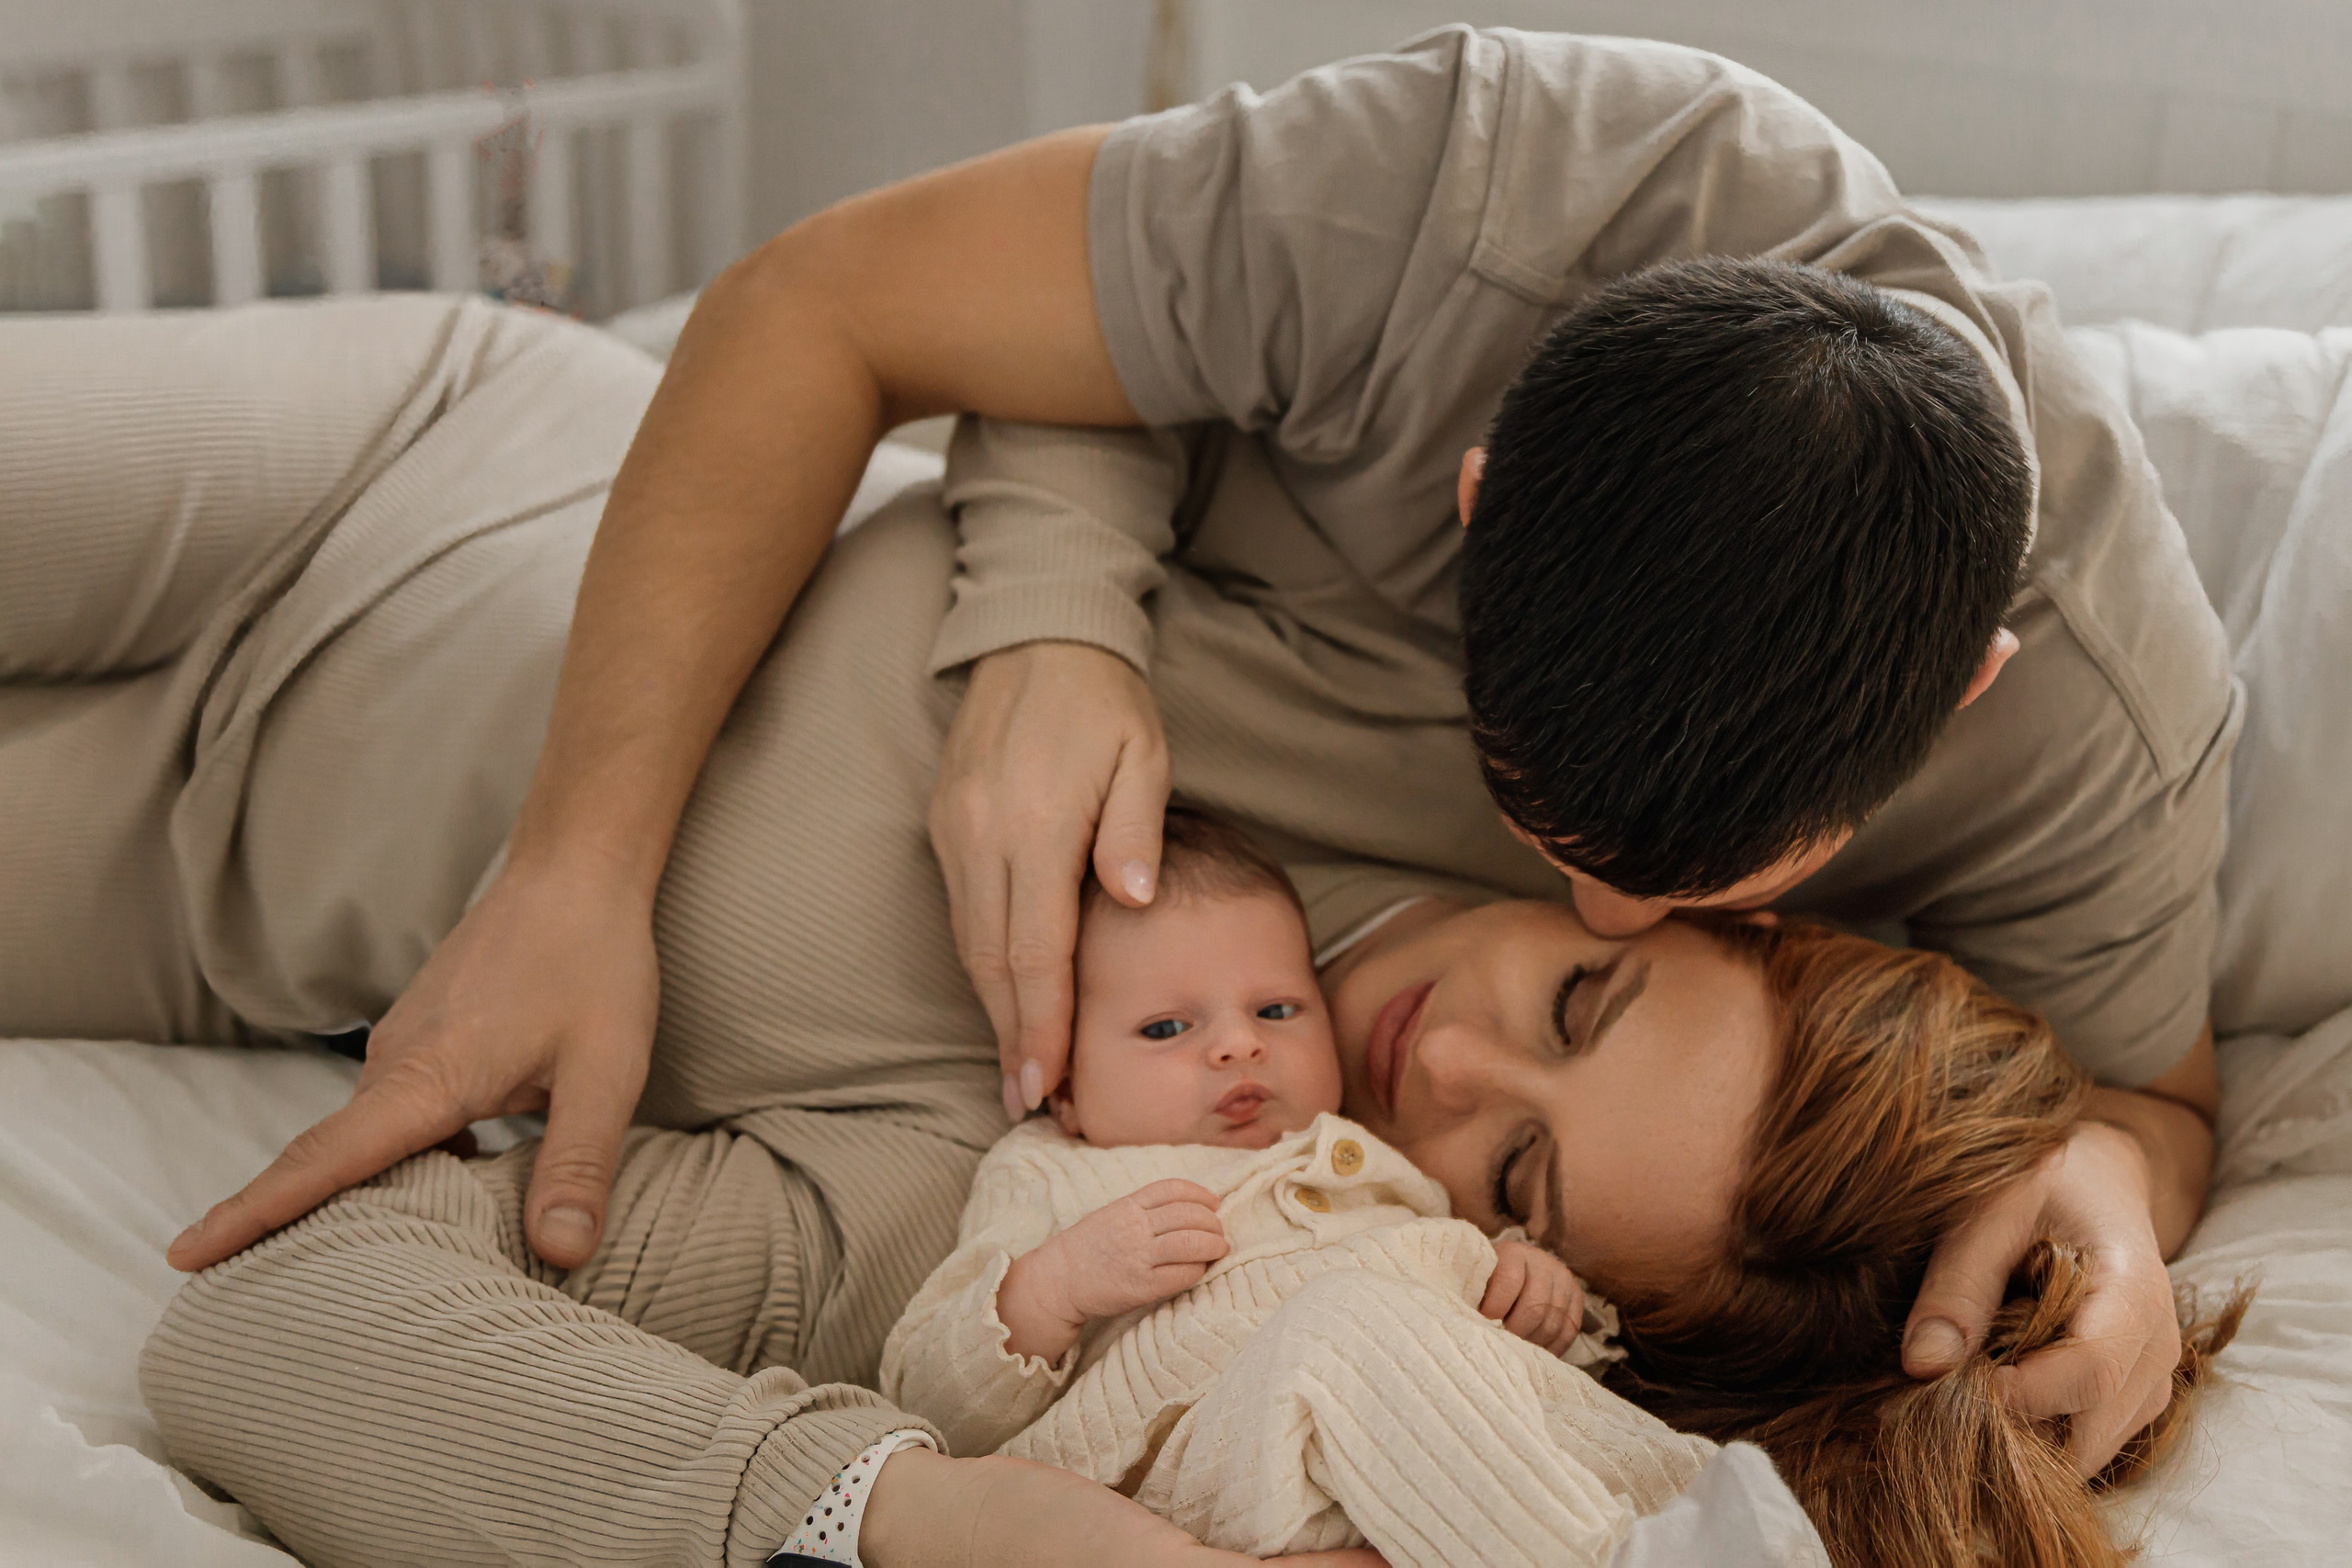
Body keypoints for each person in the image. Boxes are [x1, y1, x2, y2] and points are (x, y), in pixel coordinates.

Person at [164, 28, 2232, 1480]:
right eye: (1584, 967)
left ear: (1962, 693)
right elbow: (890, 305)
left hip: (222, 901)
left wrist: (2099, 1195)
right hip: (426, 465)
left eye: (1687, 885)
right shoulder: (1484, 196)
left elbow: (2149, 1087)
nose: (1581, 905)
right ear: (1475, 498)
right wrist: (1026, 612)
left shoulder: (1082, 1206)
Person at [879, 807, 1646, 1566]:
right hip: (1204, 1474)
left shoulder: (1368, 1161)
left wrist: (1531, 1295)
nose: (1241, 1043)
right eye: (1166, 1028)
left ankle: (1709, 1526)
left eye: (1277, 1010)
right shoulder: (1049, 1170)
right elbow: (932, 1406)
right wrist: (1055, 1288)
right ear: (1067, 1085)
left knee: (1586, 1428)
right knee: (1353, 1319)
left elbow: (1473, 1369)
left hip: (1417, 1489)